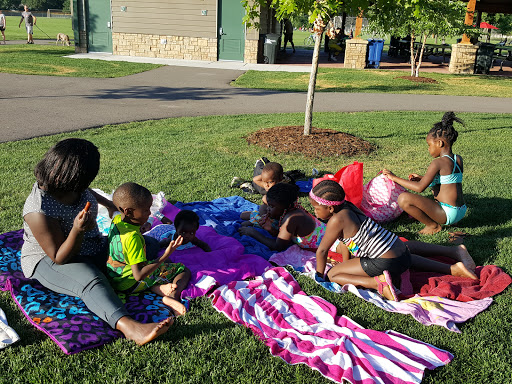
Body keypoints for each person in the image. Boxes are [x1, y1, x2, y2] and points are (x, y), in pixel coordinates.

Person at [21, 138, 172, 346]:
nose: (85, 187)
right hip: (50, 259)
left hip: (89, 244)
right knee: (91, 280)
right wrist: (77, 230)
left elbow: (87, 191)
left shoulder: (72, 185)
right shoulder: (38, 209)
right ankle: (130, 327)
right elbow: (59, 257)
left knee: (147, 246)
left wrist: (110, 205)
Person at [310, 180, 477, 301]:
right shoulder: (347, 207)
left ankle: (378, 284)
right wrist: (347, 267)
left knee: (332, 274)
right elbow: (346, 243)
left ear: (330, 208)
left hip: (386, 263)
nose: (315, 212)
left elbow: (322, 251)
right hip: (402, 253)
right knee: (402, 254)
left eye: (316, 208)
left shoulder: (335, 220)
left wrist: (319, 275)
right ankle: (451, 268)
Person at [107, 182, 191, 317]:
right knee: (183, 270)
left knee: (160, 264)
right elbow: (139, 275)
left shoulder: (117, 220)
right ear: (128, 211)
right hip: (130, 283)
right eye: (146, 210)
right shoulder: (133, 238)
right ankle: (173, 297)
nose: (149, 213)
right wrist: (166, 254)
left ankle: (158, 288)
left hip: (115, 277)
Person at [382, 112, 467, 235]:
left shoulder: (437, 163)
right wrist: (421, 178)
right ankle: (452, 222)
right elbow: (447, 182)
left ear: (440, 143)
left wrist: (394, 178)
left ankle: (433, 226)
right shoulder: (457, 159)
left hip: (447, 213)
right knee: (433, 191)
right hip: (461, 210)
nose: (428, 148)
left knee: (403, 199)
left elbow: (420, 188)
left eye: (429, 145)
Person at [240, 162, 287, 236]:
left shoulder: (282, 189)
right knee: (242, 215)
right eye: (265, 182)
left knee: (244, 223)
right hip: (263, 214)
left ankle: (257, 221)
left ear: (280, 178)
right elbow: (255, 179)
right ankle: (257, 218)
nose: (266, 185)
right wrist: (265, 175)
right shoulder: (268, 186)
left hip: (274, 218)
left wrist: (265, 199)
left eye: (270, 182)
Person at [143, 210, 211, 253]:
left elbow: (203, 245)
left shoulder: (193, 239)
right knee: (146, 235)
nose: (187, 236)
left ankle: (158, 214)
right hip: (159, 231)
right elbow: (157, 246)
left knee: (170, 224)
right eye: (183, 232)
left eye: (192, 233)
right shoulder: (170, 240)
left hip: (170, 227)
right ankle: (149, 221)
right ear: (177, 229)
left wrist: (209, 253)